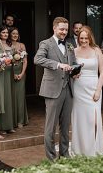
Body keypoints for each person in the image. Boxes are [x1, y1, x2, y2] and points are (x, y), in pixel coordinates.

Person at [33, 17, 77, 159]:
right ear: (54, 28)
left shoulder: (70, 45)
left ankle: (65, 155)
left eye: (66, 29)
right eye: (61, 29)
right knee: (50, 127)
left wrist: (76, 71)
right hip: (53, 90)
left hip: (68, 89)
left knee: (65, 126)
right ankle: (51, 159)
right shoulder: (45, 43)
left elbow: (73, 62)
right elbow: (37, 59)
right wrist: (58, 65)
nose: (64, 32)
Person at [70, 27, 103, 156]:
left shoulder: (97, 51)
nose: (84, 40)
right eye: (81, 38)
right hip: (78, 88)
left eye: (86, 38)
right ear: (78, 39)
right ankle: (80, 149)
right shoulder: (73, 51)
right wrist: (73, 75)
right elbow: (71, 71)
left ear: (90, 38)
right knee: (80, 119)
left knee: (94, 120)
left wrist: (98, 90)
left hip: (94, 88)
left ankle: (94, 148)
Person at [0, 27, 17, 134]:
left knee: (9, 98)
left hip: (9, 72)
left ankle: (10, 125)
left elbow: (13, 59)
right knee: (2, 98)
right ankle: (2, 126)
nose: (5, 34)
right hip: (1, 72)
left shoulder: (10, 45)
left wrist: (15, 58)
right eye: (3, 32)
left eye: (6, 32)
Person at [10, 27, 29, 129]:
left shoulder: (22, 45)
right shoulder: (7, 45)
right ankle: (12, 120)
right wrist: (12, 73)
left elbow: (25, 61)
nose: (15, 35)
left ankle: (20, 120)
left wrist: (22, 74)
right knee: (11, 96)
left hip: (21, 72)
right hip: (10, 73)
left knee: (20, 96)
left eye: (16, 34)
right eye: (13, 33)